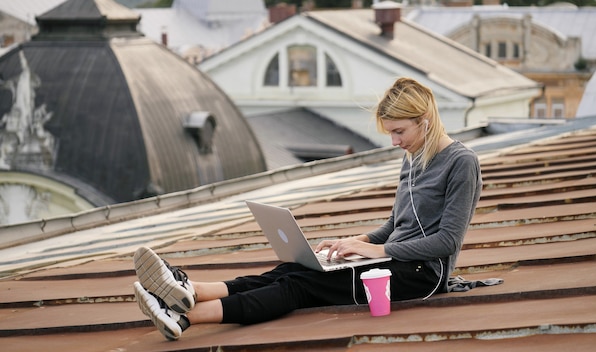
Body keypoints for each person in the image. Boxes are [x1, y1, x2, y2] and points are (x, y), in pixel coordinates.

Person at [132, 77, 483, 340]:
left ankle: (186, 316)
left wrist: (376, 250)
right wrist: (351, 242)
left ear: (425, 119)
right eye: (390, 133)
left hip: (421, 276)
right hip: (392, 261)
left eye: (399, 131)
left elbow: (447, 242)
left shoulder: (461, 162)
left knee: (300, 285)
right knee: (291, 268)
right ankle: (190, 289)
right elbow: (396, 223)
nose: (394, 141)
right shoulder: (413, 156)